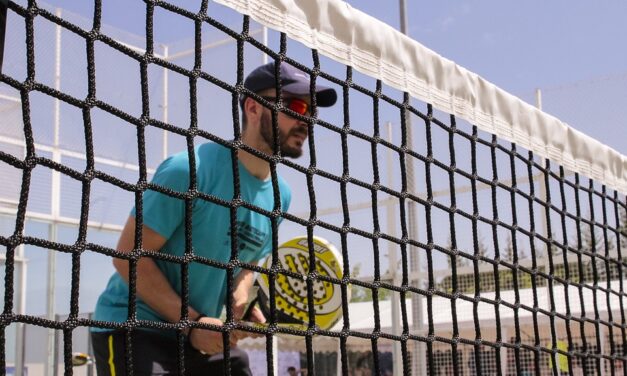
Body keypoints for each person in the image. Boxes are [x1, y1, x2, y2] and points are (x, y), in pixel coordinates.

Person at [90, 61, 337, 375]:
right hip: (134, 328)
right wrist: (191, 322)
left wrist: (241, 299)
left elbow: (246, 263)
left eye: (311, 113)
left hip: (199, 338)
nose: (306, 121)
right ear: (253, 108)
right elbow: (128, 256)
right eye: (297, 106)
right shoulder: (189, 170)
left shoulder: (279, 196)